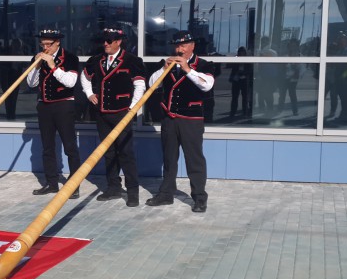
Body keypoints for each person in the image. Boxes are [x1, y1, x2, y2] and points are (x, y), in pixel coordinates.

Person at [145, 31, 217, 213]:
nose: (180, 49)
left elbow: (207, 85)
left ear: (192, 46)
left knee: (194, 159)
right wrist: (163, 69)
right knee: (169, 158)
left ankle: (199, 197)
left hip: (191, 120)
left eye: (183, 45)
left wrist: (187, 69)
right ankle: (166, 194)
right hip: (169, 118)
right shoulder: (167, 64)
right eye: (177, 46)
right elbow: (152, 84)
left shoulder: (204, 64)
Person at [81, 26, 146, 207]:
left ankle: (132, 192)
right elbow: (84, 77)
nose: (105, 43)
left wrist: (132, 108)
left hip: (122, 113)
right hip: (102, 114)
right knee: (108, 152)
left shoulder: (132, 60)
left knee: (126, 153)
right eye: (104, 40)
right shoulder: (96, 60)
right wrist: (89, 94)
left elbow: (140, 85)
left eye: (109, 40)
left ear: (118, 42)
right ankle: (113, 187)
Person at [28, 29, 82, 199]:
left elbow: (70, 82)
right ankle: (51, 183)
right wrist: (36, 66)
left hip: (64, 105)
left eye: (48, 44)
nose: (45, 47)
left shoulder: (70, 58)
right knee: (47, 147)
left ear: (57, 42)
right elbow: (31, 83)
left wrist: (53, 65)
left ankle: (74, 185)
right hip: (44, 106)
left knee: (70, 147)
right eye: (42, 44)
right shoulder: (38, 58)